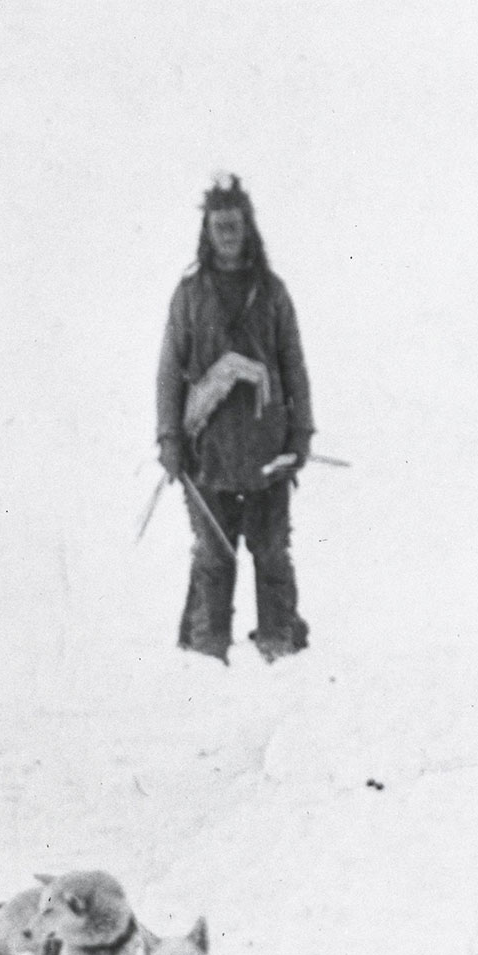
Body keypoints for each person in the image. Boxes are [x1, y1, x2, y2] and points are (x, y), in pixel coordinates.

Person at [152, 176, 313, 661]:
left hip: (268, 450)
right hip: (209, 453)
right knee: (213, 557)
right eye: (218, 226)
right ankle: (206, 651)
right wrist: (169, 438)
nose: (227, 234)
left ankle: (279, 645)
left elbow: (293, 365)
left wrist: (301, 433)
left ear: (247, 229)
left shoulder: (272, 293)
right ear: (207, 230)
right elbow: (167, 370)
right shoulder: (189, 295)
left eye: (234, 225)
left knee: (270, 554)